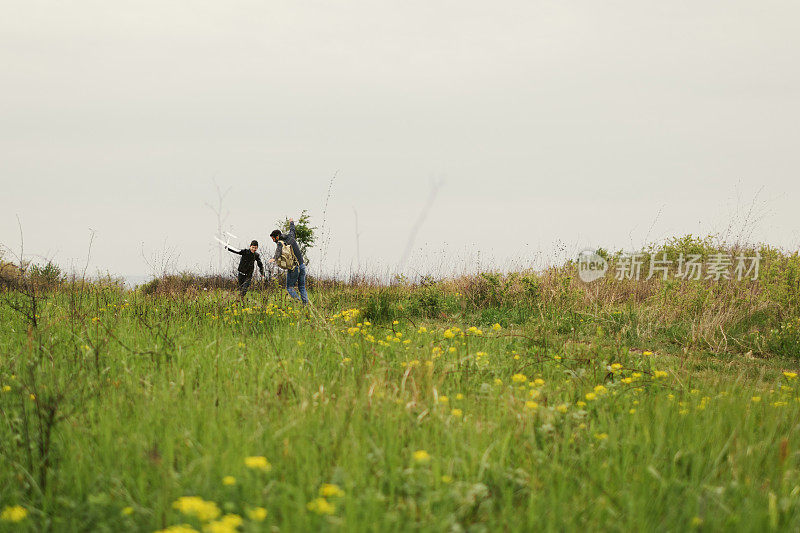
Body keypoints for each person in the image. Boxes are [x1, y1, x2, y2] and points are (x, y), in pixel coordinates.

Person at [268, 218, 308, 305]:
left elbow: (278, 251)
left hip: (294, 267)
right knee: (302, 286)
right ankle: (306, 305)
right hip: (302, 265)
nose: (273, 240)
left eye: (273, 238)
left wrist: (274, 258)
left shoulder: (280, 242)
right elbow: (292, 229)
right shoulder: (291, 236)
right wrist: (291, 222)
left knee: (289, 287)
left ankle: (298, 302)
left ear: (277, 236)